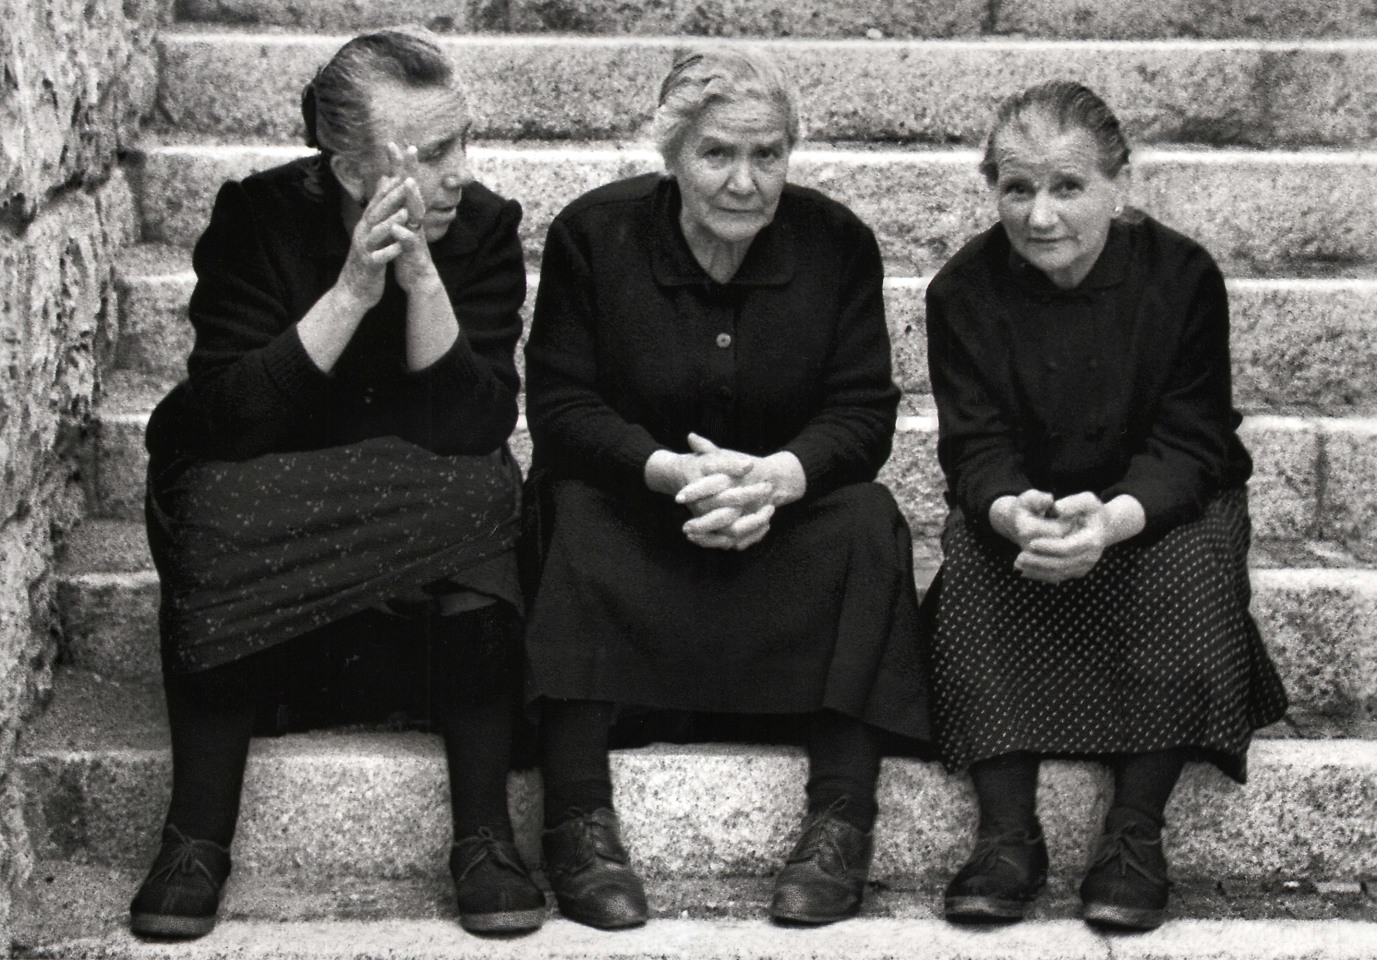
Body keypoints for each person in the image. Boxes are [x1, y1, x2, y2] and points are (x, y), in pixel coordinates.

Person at [129, 30, 546, 938]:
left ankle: (483, 836)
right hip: (272, 497)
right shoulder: (258, 217)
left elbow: (477, 424)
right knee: (213, 500)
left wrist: (422, 277)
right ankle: (195, 836)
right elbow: (230, 417)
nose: (461, 173)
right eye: (434, 154)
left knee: (480, 494)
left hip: (418, 510)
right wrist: (356, 287)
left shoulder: (480, 227)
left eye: (463, 142)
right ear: (350, 165)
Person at [520, 47, 930, 931]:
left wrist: (779, 479)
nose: (745, 182)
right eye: (717, 155)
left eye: (768, 156)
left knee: (866, 518)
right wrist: (667, 471)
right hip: (641, 517)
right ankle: (577, 818)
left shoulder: (836, 243)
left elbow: (862, 413)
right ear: (671, 154)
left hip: (775, 525)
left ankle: (839, 819)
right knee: (570, 508)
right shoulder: (594, 235)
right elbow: (559, 407)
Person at [922, 79, 1288, 931]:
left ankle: (1133, 833)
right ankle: (1007, 832)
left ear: (1118, 185)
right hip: (1031, 503)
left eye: (1066, 186)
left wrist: (1116, 518)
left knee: (1190, 566)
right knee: (976, 570)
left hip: (1156, 504)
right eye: (1016, 187)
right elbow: (972, 448)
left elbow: (1194, 437)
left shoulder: (1181, 276)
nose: (1039, 215)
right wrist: (1011, 510)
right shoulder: (962, 291)